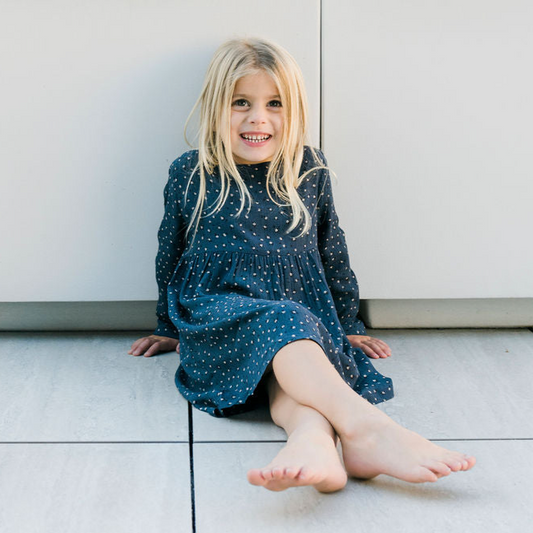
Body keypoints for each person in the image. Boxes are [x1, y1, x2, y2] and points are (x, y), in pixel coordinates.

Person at [129, 37, 476, 492]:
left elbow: (332, 248)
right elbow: (169, 250)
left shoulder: (307, 169)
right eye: (240, 103)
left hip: (298, 314)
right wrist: (169, 326)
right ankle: (371, 429)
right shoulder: (191, 172)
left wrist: (348, 319)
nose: (258, 117)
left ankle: (312, 440)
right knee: (285, 323)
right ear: (216, 106)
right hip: (219, 312)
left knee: (285, 368)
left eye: (275, 103)